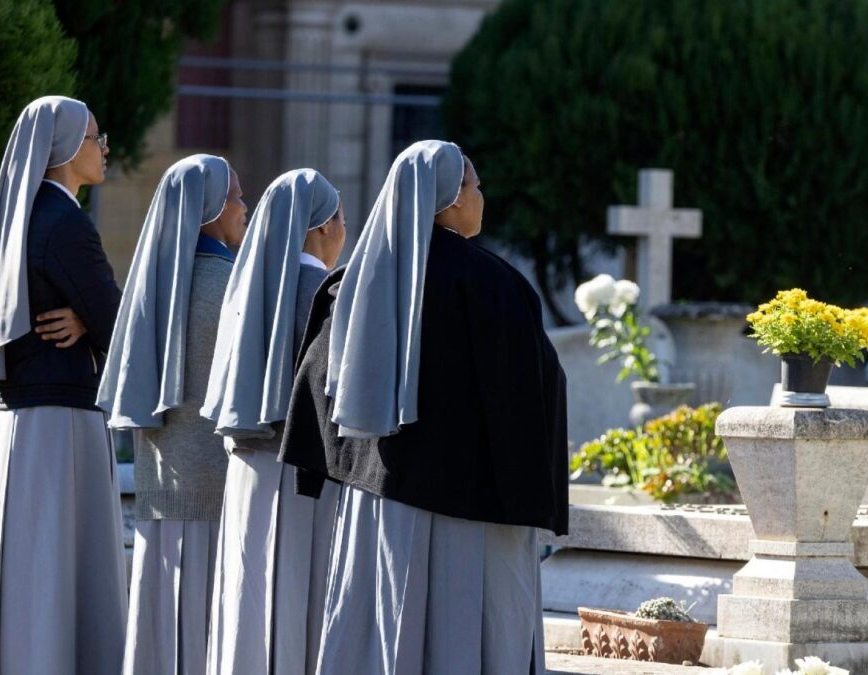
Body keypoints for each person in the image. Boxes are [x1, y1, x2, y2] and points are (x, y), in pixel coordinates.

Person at [280, 140, 568, 674]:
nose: (482, 197)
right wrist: (535, 496)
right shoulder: (495, 284)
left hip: (380, 503)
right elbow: (532, 393)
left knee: (383, 635)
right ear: (451, 200)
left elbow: (317, 382)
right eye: (476, 186)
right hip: (475, 510)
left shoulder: (353, 282)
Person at [0, 96, 127, 674]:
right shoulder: (66, 224)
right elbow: (121, 325)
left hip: (22, 421)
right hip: (62, 425)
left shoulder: (26, 216)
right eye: (94, 138)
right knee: (60, 567)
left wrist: (83, 317)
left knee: (32, 567)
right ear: (64, 151)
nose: (103, 149)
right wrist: (92, 319)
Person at [96, 154, 247, 675]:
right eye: (238, 197)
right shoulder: (233, 288)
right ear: (211, 207)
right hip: (217, 492)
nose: (245, 208)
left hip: (161, 493)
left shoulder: (151, 287)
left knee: (163, 636)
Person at [202, 169, 345, 675]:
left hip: (247, 470)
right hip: (301, 473)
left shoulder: (245, 286)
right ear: (321, 227)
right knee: (293, 602)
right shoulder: (323, 291)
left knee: (248, 595)